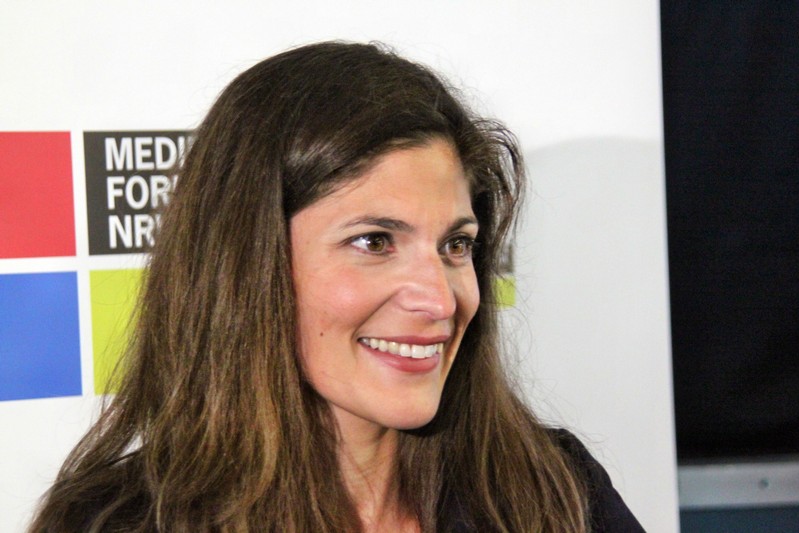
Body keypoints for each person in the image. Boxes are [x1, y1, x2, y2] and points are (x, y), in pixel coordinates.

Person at [29, 41, 644, 532]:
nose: (439, 299)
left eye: (455, 245)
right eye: (375, 242)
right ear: (248, 263)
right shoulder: (121, 523)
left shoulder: (552, 493)